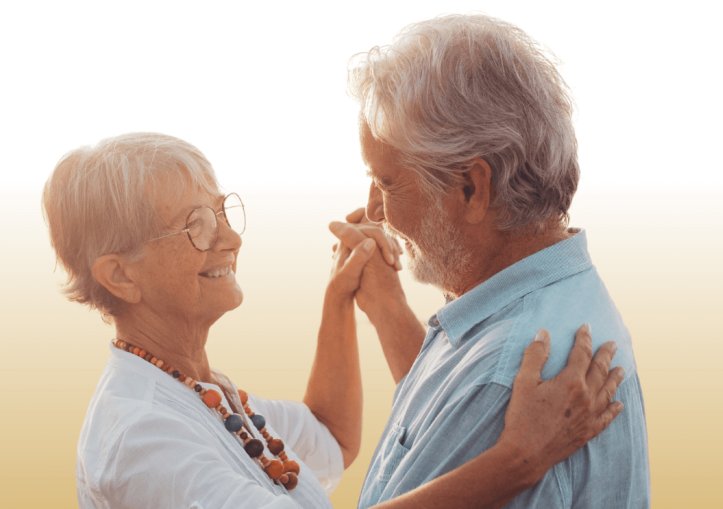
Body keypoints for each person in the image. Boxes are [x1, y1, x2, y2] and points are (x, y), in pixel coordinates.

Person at [44, 132, 623, 509]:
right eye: (195, 224)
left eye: (223, 211)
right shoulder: (140, 436)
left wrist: (343, 297)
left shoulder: (198, 390)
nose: (231, 237)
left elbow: (330, 439)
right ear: (120, 276)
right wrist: (518, 458)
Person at [329, 14, 650, 508]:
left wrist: (516, 460)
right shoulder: (548, 298)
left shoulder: (509, 376)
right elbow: (447, 411)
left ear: (472, 188)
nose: (373, 211)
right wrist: (387, 308)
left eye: (388, 183)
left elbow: (474, 397)